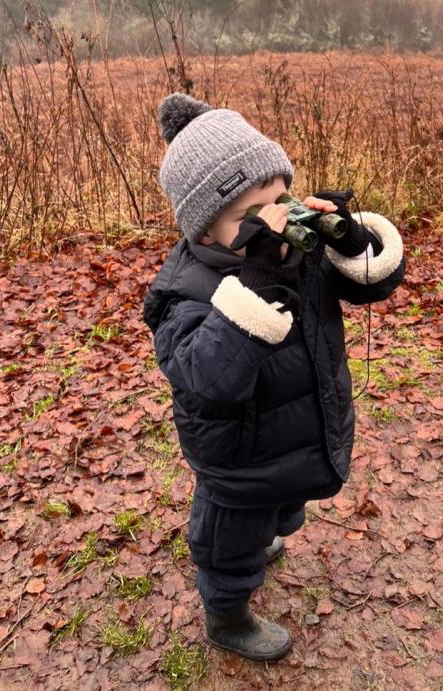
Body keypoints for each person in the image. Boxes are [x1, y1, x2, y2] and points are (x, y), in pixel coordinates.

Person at [142, 93, 406, 661]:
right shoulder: (181, 293)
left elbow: (372, 284)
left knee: (287, 502)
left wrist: (347, 238)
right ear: (205, 231)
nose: (276, 221)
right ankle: (227, 616)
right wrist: (254, 286)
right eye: (249, 216)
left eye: (281, 200)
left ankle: (271, 530)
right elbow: (209, 375)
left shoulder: (297, 251)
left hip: (298, 432)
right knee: (231, 540)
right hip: (237, 457)